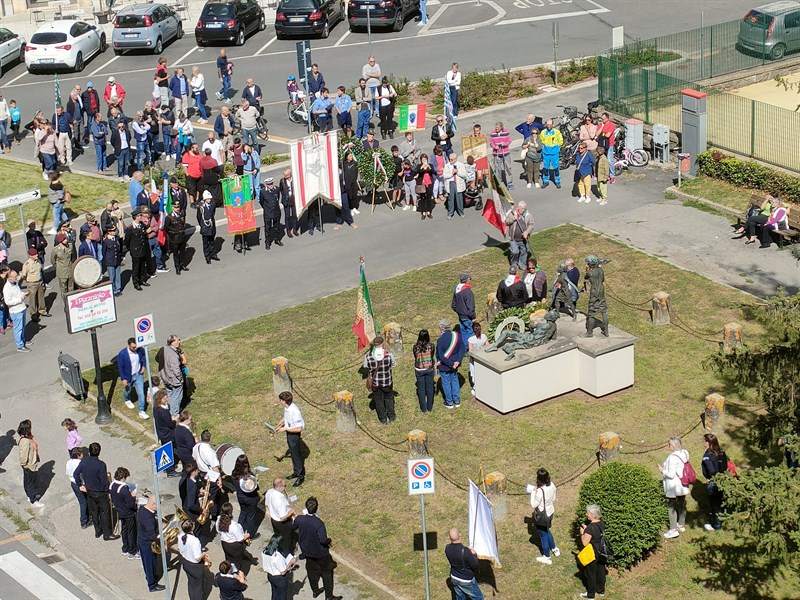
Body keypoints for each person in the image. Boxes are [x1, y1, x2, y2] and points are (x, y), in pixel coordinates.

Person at [293, 497, 342, 600]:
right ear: (316, 508)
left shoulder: (299, 519)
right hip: (320, 553)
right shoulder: (318, 523)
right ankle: (329, 596)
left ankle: (315, 590)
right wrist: (329, 540)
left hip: (307, 551)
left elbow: (293, 527)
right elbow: (323, 540)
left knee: (311, 570)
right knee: (327, 573)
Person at [73, 442, 118, 540]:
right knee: (104, 513)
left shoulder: (84, 462)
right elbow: (103, 481)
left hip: (90, 491)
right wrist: (108, 492)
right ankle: (107, 534)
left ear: (89, 451)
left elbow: (76, 474)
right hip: (100, 492)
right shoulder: (101, 465)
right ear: (99, 452)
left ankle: (97, 531)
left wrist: (79, 485)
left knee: (94, 512)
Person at [659, 436, 690, 539]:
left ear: (672, 446)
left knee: (671, 506)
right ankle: (681, 524)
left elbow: (671, 474)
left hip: (674, 485)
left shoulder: (672, 458)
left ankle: (673, 529)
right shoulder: (685, 452)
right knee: (682, 503)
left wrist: (662, 470)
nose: (668, 446)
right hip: (683, 483)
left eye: (669, 444)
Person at [365, 336, 397, 424]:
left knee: (379, 402)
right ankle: (391, 417)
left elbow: (366, 366)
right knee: (389, 399)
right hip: (387, 382)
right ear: (382, 344)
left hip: (376, 383)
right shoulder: (389, 355)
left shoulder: (368, 357)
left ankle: (383, 419)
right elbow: (393, 364)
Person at [530, 468, 559, 564]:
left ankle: (546, 556)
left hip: (542, 516)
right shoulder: (552, 485)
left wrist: (533, 492)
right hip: (550, 512)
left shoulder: (539, 491)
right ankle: (554, 549)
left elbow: (533, 504)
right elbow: (554, 498)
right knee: (547, 530)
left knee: (543, 536)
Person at [444, 528, 484, 600]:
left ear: (449, 537)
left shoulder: (447, 548)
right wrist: (474, 554)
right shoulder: (465, 551)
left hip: (454, 577)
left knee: (460, 597)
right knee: (479, 597)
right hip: (466, 580)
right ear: (460, 535)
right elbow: (475, 564)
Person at [276, 392, 305, 487]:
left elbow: (299, 428)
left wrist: (285, 429)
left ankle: (300, 476)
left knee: (296, 455)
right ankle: (296, 472)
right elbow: (286, 416)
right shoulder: (287, 407)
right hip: (289, 432)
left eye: (281, 400)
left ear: (284, 401)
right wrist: (282, 422)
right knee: (293, 453)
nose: (280, 401)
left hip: (294, 435)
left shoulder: (294, 411)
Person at [137, 496, 165, 592]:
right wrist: (162, 535)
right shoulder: (148, 518)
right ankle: (152, 585)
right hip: (147, 543)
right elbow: (152, 535)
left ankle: (151, 577)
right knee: (150, 563)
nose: (159, 507)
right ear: (153, 504)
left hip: (142, 540)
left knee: (148, 562)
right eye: (158, 505)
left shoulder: (143, 510)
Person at [701, 433, 729, 531]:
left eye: (704, 441)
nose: (703, 442)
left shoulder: (707, 455)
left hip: (713, 482)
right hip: (724, 480)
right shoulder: (721, 452)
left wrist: (711, 478)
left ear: (708, 442)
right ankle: (722, 520)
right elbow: (726, 466)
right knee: (721, 502)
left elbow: (711, 470)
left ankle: (716, 525)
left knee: (715, 504)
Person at [579, 505, 607, 599]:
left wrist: (583, 533)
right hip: (602, 552)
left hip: (593, 553)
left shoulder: (590, 528)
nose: (586, 514)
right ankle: (601, 590)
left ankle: (590, 595)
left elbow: (585, 543)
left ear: (593, 515)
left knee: (590, 574)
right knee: (600, 571)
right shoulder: (601, 523)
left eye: (588, 513)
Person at [110, 467, 139, 559]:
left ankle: (125, 548)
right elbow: (130, 504)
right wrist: (133, 496)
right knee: (131, 532)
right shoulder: (124, 489)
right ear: (123, 477)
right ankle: (132, 551)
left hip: (120, 511)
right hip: (128, 512)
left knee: (124, 530)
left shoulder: (112, 485)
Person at [178, 519, 211, 600]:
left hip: (185, 562)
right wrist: (204, 554)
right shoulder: (195, 541)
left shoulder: (180, 535)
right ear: (192, 528)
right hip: (195, 567)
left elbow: (179, 549)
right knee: (198, 587)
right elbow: (197, 558)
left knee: (191, 583)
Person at [436, 319, 465, 408]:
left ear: (441, 328)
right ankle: (457, 401)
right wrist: (457, 361)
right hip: (455, 364)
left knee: (446, 383)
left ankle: (449, 402)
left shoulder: (440, 340)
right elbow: (462, 349)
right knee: (455, 381)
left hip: (445, 366)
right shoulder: (457, 335)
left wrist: (450, 363)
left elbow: (441, 356)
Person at [231, 454, 260, 539]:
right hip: (250, 498)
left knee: (243, 513)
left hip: (240, 496)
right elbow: (255, 488)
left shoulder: (234, 473)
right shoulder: (248, 475)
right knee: (251, 516)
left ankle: (239, 531)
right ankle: (250, 534)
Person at [216, 502, 252, 571]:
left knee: (228, 559)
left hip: (224, 543)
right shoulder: (234, 525)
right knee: (236, 563)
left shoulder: (219, 520)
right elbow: (240, 539)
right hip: (234, 547)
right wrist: (247, 535)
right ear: (231, 511)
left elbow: (218, 530)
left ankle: (226, 570)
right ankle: (234, 575)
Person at [118, 337, 148, 419]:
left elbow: (144, 356)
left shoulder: (139, 350)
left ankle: (142, 410)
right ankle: (127, 399)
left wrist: (143, 366)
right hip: (129, 376)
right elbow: (120, 367)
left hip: (138, 374)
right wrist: (123, 378)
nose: (135, 349)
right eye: (133, 347)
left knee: (141, 393)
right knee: (128, 389)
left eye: (136, 347)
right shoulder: (122, 354)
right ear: (128, 345)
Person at [266, 478, 296, 555]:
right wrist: (291, 512)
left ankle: (280, 549)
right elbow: (283, 517)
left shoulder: (269, 492)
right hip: (282, 523)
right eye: (284, 486)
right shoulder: (279, 499)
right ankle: (288, 556)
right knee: (287, 540)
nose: (285, 487)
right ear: (279, 487)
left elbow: (266, 505)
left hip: (274, 519)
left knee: (279, 537)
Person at [17, 420, 43, 507]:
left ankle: (30, 495)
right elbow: (23, 455)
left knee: (28, 481)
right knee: (31, 482)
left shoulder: (27, 438)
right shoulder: (25, 441)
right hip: (29, 465)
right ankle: (33, 499)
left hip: (30, 464)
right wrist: (24, 464)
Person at [124, 207, 151, 291]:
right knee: (136, 268)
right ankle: (136, 283)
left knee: (142, 266)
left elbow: (144, 236)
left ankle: (142, 280)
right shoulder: (130, 228)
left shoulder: (141, 225)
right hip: (135, 251)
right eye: (140, 216)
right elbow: (127, 241)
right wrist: (131, 249)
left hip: (142, 249)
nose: (141, 217)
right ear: (136, 217)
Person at [263, 534, 297, 600]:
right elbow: (283, 572)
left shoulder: (265, 551)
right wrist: (291, 562)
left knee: (274, 593)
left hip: (270, 575)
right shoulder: (277, 557)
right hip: (279, 579)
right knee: (282, 596)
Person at [3, 270, 30, 352]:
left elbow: (18, 293)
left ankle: (23, 340)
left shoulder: (15, 283)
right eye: (15, 277)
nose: (17, 278)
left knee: (22, 327)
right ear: (10, 277)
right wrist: (20, 299)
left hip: (21, 308)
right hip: (15, 311)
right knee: (18, 329)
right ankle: (20, 345)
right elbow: (8, 302)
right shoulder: (7, 288)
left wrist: (23, 294)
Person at [159, 334, 185, 416]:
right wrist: (180, 378)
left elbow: (157, 359)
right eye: (178, 340)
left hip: (165, 377)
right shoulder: (173, 354)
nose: (179, 342)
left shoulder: (163, 349)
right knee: (177, 396)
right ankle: (174, 413)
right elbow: (176, 369)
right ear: (173, 342)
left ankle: (170, 410)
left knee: (170, 394)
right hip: (174, 379)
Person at [504, 201, 534, 271]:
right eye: (522, 209)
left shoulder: (528, 215)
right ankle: (514, 264)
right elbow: (506, 222)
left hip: (523, 239)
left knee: (524, 251)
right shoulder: (512, 213)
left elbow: (531, 224)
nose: (523, 210)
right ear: (518, 208)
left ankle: (522, 264)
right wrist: (513, 219)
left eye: (524, 209)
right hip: (514, 238)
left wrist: (527, 232)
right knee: (515, 252)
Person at [20, 248, 47, 321]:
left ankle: (42, 311)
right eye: (34, 254)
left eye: (36, 253)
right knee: (32, 299)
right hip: (32, 283)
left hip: (39, 281)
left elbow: (40, 270)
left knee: (41, 297)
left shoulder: (38, 261)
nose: (36, 255)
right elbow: (24, 275)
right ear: (31, 256)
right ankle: (34, 314)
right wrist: (29, 281)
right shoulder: (27, 264)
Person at [412, 330, 436, 412]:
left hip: (419, 369)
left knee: (421, 389)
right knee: (430, 388)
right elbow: (432, 355)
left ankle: (423, 408)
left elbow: (416, 357)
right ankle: (429, 407)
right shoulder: (432, 346)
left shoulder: (415, 347)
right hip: (429, 368)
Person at [452, 273, 476, 352]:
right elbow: (471, 306)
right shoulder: (468, 292)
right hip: (467, 315)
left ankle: (464, 347)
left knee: (463, 331)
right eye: (469, 279)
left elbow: (453, 304)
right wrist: (473, 317)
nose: (470, 281)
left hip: (460, 314)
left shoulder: (457, 289)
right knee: (469, 331)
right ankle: (470, 348)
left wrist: (458, 311)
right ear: (467, 280)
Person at [66, 447, 89, 528]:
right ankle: (84, 521)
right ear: (79, 455)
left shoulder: (69, 462)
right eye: (82, 453)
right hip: (80, 484)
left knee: (82, 501)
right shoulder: (80, 463)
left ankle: (86, 517)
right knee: (84, 502)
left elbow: (68, 472)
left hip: (73, 483)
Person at [164, 200, 188, 275]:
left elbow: (183, 223)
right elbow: (166, 228)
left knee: (182, 251)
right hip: (175, 237)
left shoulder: (182, 214)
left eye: (178, 207)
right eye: (175, 207)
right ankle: (177, 268)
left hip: (182, 236)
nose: (177, 209)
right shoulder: (169, 217)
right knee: (176, 253)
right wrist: (172, 234)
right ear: (173, 207)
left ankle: (182, 264)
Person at [260, 178, 284, 250]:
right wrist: (267, 208)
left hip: (276, 211)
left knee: (276, 227)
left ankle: (277, 239)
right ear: (266, 185)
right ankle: (267, 242)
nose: (271, 185)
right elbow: (261, 202)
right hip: (268, 213)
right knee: (268, 228)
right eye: (269, 184)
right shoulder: (263, 192)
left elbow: (278, 198)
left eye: (271, 183)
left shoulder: (276, 189)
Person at [540, 119, 563, 189]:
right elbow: (541, 140)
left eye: (550, 125)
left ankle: (557, 181)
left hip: (554, 153)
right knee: (546, 168)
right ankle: (545, 181)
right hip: (546, 153)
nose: (548, 126)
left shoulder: (557, 132)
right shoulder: (543, 132)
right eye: (547, 125)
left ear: (553, 125)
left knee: (556, 168)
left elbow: (561, 141)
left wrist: (556, 147)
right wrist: (545, 146)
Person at [197, 191, 219, 264]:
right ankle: (207, 256)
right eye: (208, 199)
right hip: (205, 226)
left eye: (210, 199)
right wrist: (202, 225)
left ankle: (213, 254)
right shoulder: (201, 207)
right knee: (205, 243)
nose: (209, 200)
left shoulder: (212, 204)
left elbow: (213, 213)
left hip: (211, 225)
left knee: (212, 241)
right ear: (205, 199)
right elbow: (199, 217)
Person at [489, 122, 512, 188]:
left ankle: (509, 182)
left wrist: (505, 143)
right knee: (498, 168)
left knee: (508, 167)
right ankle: (500, 182)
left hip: (505, 152)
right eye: (496, 128)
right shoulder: (493, 133)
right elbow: (491, 142)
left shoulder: (506, 131)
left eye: (498, 128)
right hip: (496, 153)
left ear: (501, 127)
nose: (496, 129)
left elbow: (509, 141)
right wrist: (494, 146)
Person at [467, 323, 487, 396]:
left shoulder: (471, 339)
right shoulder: (484, 337)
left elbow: (470, 351)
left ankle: (475, 389)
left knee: (474, 373)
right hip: (483, 358)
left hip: (474, 359)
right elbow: (488, 346)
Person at [444, 153, 466, 219]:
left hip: (458, 183)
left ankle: (461, 212)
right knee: (451, 199)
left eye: (452, 160)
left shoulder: (461, 165)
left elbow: (464, 174)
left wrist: (458, 172)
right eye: (449, 159)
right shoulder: (447, 165)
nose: (450, 161)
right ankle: (450, 212)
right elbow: (444, 175)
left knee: (459, 199)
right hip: (451, 183)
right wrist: (451, 173)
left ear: (455, 159)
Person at [596, 112, 616, 182]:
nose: (602, 120)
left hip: (609, 144)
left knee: (610, 160)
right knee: (601, 160)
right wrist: (602, 126)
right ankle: (603, 175)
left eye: (603, 119)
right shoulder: (600, 125)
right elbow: (597, 134)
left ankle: (612, 175)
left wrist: (603, 134)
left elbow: (608, 135)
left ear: (607, 118)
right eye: (601, 119)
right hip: (601, 145)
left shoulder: (611, 125)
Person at [279, 168, 298, 238]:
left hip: (293, 199)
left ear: (289, 174)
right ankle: (288, 231)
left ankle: (295, 229)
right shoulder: (282, 181)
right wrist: (285, 196)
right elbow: (281, 190)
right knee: (287, 216)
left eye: (286, 175)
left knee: (294, 215)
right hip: (286, 200)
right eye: (284, 175)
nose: (284, 176)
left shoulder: (295, 179)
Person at [417, 153, 434, 219]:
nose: (424, 161)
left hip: (429, 183)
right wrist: (422, 167)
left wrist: (429, 167)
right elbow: (417, 171)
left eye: (425, 159)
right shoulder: (419, 166)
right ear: (421, 160)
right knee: (423, 198)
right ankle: (423, 212)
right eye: (423, 159)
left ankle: (429, 211)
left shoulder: (430, 165)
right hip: (422, 184)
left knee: (429, 198)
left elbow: (433, 172)